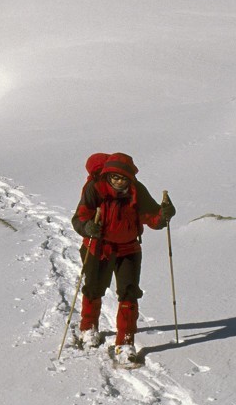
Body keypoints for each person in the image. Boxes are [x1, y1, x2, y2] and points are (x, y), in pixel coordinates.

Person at [71, 152, 175, 362]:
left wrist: (164, 216)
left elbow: (152, 218)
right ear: (108, 175)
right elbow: (79, 217)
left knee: (129, 293)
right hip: (98, 246)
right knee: (93, 288)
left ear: (130, 177)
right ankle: (88, 327)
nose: (118, 181)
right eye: (114, 177)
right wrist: (87, 227)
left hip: (129, 248)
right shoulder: (95, 188)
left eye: (123, 178)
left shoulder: (137, 191)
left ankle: (125, 341)